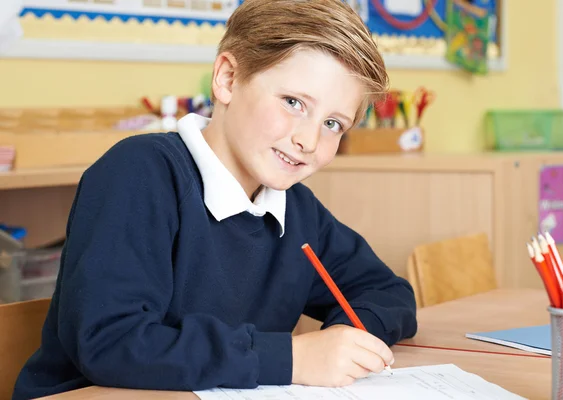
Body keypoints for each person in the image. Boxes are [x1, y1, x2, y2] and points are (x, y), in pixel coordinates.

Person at [12, 0, 417, 398]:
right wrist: (291, 358)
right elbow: (109, 341)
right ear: (227, 78)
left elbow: (389, 293)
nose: (308, 140)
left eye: (333, 124)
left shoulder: (296, 209)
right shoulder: (139, 174)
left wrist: (345, 342)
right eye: (293, 103)